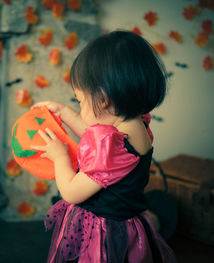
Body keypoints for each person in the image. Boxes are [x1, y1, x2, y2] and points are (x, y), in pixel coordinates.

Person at [30, 30, 177, 262]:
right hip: (127, 224)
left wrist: (60, 158)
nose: (78, 106)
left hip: (101, 234)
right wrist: (65, 113)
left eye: (79, 101)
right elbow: (96, 138)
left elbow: (71, 192)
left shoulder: (113, 147)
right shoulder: (136, 125)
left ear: (103, 99)